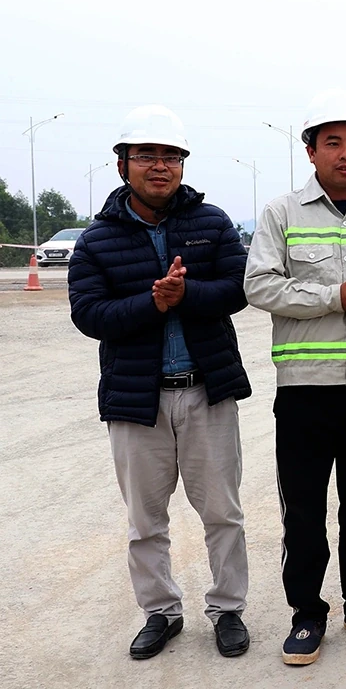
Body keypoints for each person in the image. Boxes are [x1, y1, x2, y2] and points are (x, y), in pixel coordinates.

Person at [68, 105, 252, 660]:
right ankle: (160, 612)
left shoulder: (211, 222)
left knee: (222, 511)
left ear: (182, 165)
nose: (160, 166)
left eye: (170, 156)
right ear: (122, 164)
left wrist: (186, 295)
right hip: (135, 400)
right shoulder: (97, 239)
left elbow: (239, 288)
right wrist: (151, 303)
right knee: (145, 519)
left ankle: (227, 610)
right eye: (146, 155)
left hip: (206, 390)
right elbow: (89, 314)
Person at [244, 89, 346, 666]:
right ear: (310, 151)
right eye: (333, 143)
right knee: (306, 510)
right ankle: (306, 612)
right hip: (305, 392)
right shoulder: (281, 213)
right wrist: (332, 297)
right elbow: (259, 285)